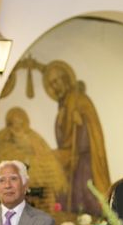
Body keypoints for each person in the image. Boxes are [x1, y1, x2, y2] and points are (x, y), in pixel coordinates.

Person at [43, 60, 111, 215]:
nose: (55, 87)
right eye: (51, 85)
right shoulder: (63, 106)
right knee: (66, 195)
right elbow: (63, 139)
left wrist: (82, 121)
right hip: (70, 157)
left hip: (84, 158)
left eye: (56, 81)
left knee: (86, 194)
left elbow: (92, 130)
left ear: (65, 79)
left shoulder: (80, 100)